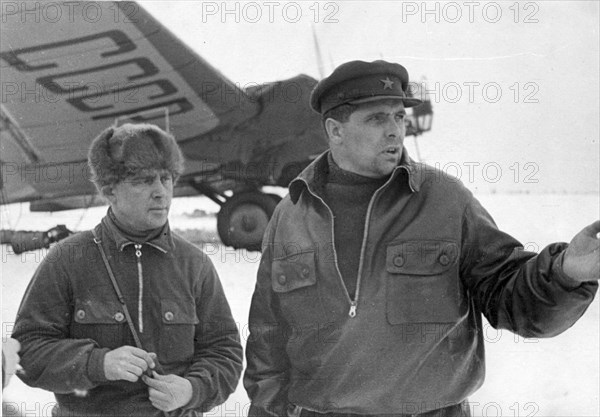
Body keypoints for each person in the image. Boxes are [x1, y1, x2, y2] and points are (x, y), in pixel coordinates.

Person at [243, 60, 599, 417]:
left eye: (399, 116)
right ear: (335, 131)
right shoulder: (290, 214)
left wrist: (566, 274)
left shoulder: (446, 199)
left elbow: (511, 298)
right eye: (376, 119)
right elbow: (267, 339)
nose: (395, 131)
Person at [12, 124, 243, 416]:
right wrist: (96, 363)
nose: (161, 192)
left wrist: (192, 389)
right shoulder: (67, 259)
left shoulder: (195, 264)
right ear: (110, 191)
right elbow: (25, 352)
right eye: (143, 181)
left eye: (167, 178)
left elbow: (225, 351)